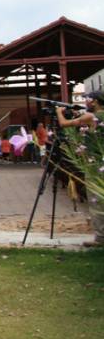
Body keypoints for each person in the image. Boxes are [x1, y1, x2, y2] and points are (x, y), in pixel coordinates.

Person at [56, 90, 104, 247]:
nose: (86, 103)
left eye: (88, 100)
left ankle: (100, 238)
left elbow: (64, 124)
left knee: (96, 200)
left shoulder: (91, 117)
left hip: (95, 165)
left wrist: (59, 112)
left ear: (95, 101)